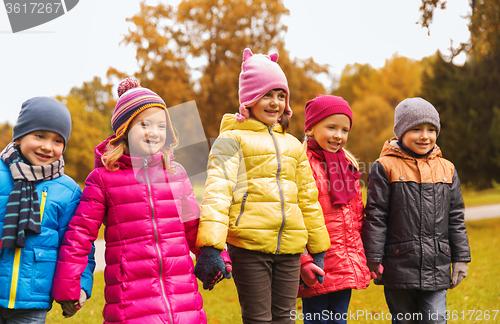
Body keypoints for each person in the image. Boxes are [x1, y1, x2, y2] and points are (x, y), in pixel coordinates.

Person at [51, 78, 223, 324]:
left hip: (183, 301)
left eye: (161, 126)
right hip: (130, 303)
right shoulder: (102, 179)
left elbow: (194, 226)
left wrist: (214, 255)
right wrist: (70, 285)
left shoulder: (176, 174)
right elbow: (80, 234)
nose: (154, 132)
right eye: (144, 124)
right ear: (124, 130)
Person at [194, 48, 330, 324]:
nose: (275, 103)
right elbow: (218, 192)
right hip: (249, 246)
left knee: (285, 319)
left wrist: (318, 247)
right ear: (249, 99)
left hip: (290, 250)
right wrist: (210, 247)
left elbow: (307, 198)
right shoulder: (232, 140)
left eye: (281, 96)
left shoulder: (293, 145)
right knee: (258, 319)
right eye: (267, 95)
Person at [362, 97, 471, 324]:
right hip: (398, 264)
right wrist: (373, 257)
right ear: (401, 132)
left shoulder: (447, 169)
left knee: (435, 319)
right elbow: (376, 216)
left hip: (436, 264)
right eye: (416, 129)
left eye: (431, 129)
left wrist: (460, 258)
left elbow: (455, 218)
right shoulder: (384, 167)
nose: (425, 136)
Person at [0, 97, 95, 323]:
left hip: (33, 299)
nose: (47, 146)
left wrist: (80, 285)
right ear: (20, 135)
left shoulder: (68, 191)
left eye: (57, 140)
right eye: (39, 135)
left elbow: (78, 244)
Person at [297, 95, 371, 324]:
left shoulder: (348, 166)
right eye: (331, 127)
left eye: (344, 129)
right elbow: (293, 219)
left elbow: (356, 217)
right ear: (310, 128)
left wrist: (362, 255)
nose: (338, 135)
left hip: (344, 262)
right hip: (317, 263)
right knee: (317, 319)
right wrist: (303, 261)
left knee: (339, 320)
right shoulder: (301, 166)